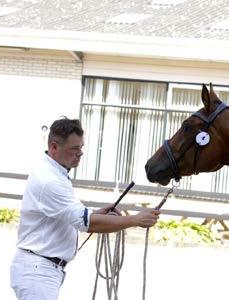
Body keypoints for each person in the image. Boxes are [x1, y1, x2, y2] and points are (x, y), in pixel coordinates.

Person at [10, 117, 160, 299]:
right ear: (54, 147)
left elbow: (68, 215)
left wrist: (95, 213)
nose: (80, 153)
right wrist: (135, 220)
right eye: (74, 148)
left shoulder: (53, 172)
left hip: (41, 268)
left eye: (81, 147)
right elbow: (85, 223)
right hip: (38, 271)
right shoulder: (49, 180)